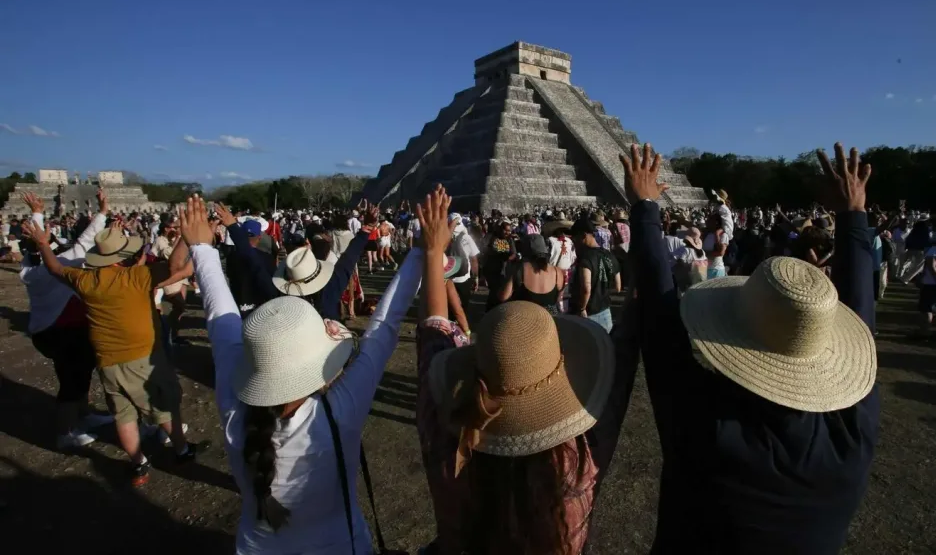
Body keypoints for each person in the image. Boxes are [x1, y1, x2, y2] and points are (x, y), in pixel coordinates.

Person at [622, 141, 880, 554]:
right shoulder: (851, 435)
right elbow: (862, 316)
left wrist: (644, 205)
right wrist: (853, 216)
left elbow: (657, 312)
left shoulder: (707, 428)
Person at [179, 192, 449, 554]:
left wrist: (201, 248)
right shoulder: (337, 412)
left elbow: (220, 321)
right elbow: (384, 325)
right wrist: (423, 251)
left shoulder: (235, 408)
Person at [414, 185, 640, 555]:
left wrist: (434, 251)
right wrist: (643, 212)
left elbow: (434, 328)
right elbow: (627, 348)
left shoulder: (447, 438)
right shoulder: (581, 464)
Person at [24, 215, 206, 487]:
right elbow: (175, 267)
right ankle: (181, 450)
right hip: (143, 357)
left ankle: (138, 463)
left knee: (123, 414)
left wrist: (43, 245)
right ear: (124, 258)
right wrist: (188, 241)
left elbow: (54, 269)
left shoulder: (86, 280)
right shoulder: (137, 276)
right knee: (164, 406)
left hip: (107, 359)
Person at [19, 190, 114, 449]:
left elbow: (41, 244)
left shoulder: (28, 271)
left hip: (49, 331)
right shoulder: (60, 263)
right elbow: (84, 242)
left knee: (76, 376)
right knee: (72, 383)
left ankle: (83, 416)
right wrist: (103, 212)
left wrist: (37, 212)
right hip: (66, 332)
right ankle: (66, 432)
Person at [570, 217, 621, 332]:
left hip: (588, 314)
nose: (575, 243)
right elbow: (618, 287)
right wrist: (602, 290)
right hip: (606, 312)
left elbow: (586, 288)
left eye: (575, 239)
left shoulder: (586, 258)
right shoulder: (609, 255)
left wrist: (582, 308)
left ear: (583, 235)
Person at [497, 234, 563, 315]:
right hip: (549, 321)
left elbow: (503, 297)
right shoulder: (557, 272)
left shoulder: (519, 268)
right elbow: (558, 298)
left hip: (525, 320)